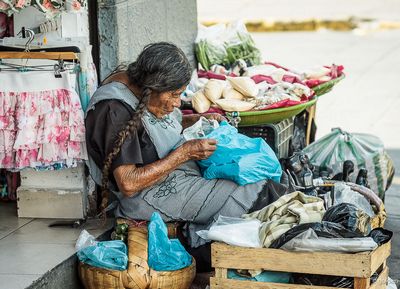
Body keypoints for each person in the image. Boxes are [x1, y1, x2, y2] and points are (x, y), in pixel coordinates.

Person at [85, 42, 292, 270]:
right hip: (145, 195)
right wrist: (184, 153)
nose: (176, 103)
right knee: (258, 193)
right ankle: (195, 247)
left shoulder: (139, 84)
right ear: (151, 87)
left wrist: (190, 121)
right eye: (174, 95)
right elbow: (129, 183)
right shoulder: (114, 110)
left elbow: (148, 129)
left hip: (175, 173)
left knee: (260, 179)